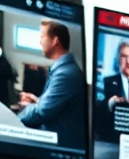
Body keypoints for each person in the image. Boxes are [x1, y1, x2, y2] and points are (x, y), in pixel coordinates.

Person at [18, 20, 85, 149]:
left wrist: (19, 114)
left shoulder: (65, 74)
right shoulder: (64, 69)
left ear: (55, 40)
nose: (40, 41)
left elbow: (43, 112)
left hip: (58, 144)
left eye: (42, 36)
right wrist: (37, 102)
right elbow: (50, 107)